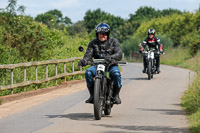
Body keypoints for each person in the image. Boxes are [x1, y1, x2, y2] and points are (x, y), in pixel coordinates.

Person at [78, 23, 122, 104]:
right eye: (100, 34)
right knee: (88, 72)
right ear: (97, 34)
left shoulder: (113, 41)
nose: (102, 35)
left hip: (110, 65)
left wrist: (111, 57)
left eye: (104, 34)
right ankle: (92, 95)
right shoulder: (93, 43)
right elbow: (88, 55)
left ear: (107, 34)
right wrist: (84, 61)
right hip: (96, 65)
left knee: (116, 73)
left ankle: (116, 95)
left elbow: (119, 53)